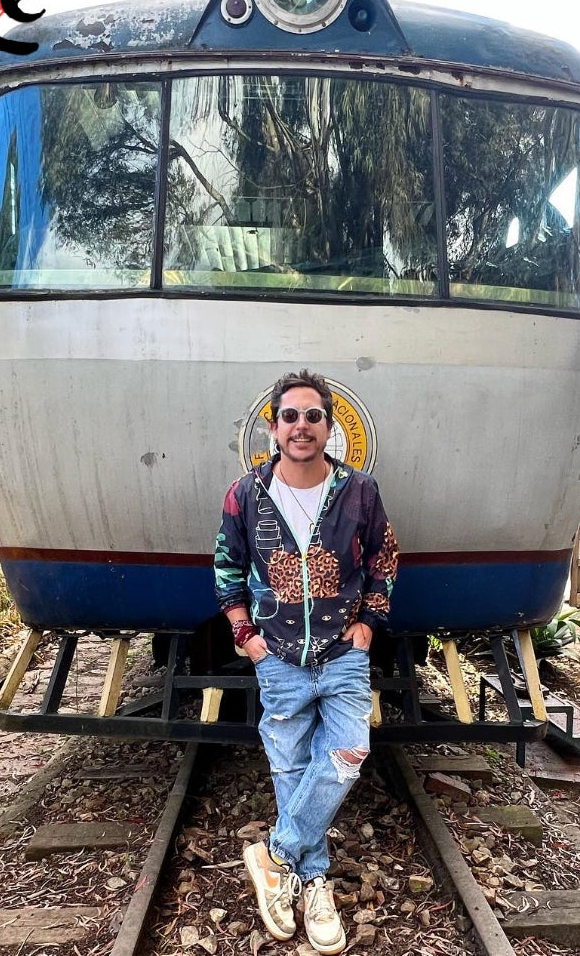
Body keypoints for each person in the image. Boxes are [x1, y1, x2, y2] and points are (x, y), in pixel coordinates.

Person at [216, 369, 399, 955]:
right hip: (278, 657)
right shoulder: (247, 493)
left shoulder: (359, 490)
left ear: (329, 426)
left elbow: (384, 561)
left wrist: (369, 624)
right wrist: (247, 637)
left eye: (313, 416)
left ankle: (273, 854)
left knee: (349, 752)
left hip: (343, 652)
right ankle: (310, 880)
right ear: (274, 427)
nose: (301, 426)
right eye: (290, 416)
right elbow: (226, 570)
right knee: (291, 768)